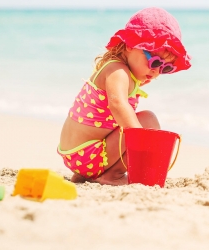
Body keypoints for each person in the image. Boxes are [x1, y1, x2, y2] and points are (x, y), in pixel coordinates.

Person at [57, 7, 191, 185]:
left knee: (139, 121)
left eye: (164, 68)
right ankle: (114, 174)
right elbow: (117, 103)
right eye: (154, 61)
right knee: (148, 121)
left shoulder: (117, 70)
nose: (156, 71)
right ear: (130, 45)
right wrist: (142, 143)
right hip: (87, 155)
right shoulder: (118, 71)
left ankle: (87, 175)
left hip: (78, 155)